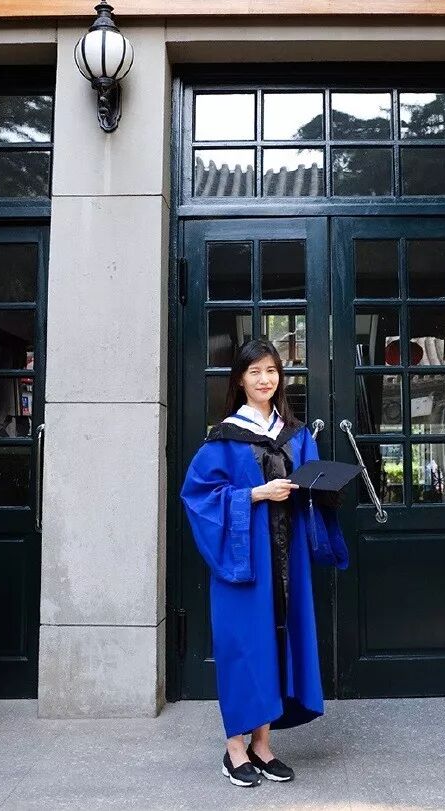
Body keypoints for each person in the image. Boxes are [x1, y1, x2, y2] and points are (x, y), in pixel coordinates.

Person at [179, 337, 349, 787]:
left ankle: (262, 745)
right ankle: (234, 748)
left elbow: (312, 490)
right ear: (240, 379)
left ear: (280, 377)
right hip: (245, 560)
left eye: (271, 370)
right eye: (254, 372)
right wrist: (256, 494)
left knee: (276, 642)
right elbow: (198, 498)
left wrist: (325, 489)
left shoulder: (296, 434)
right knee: (244, 647)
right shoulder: (223, 438)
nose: (264, 379)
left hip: (288, 559)